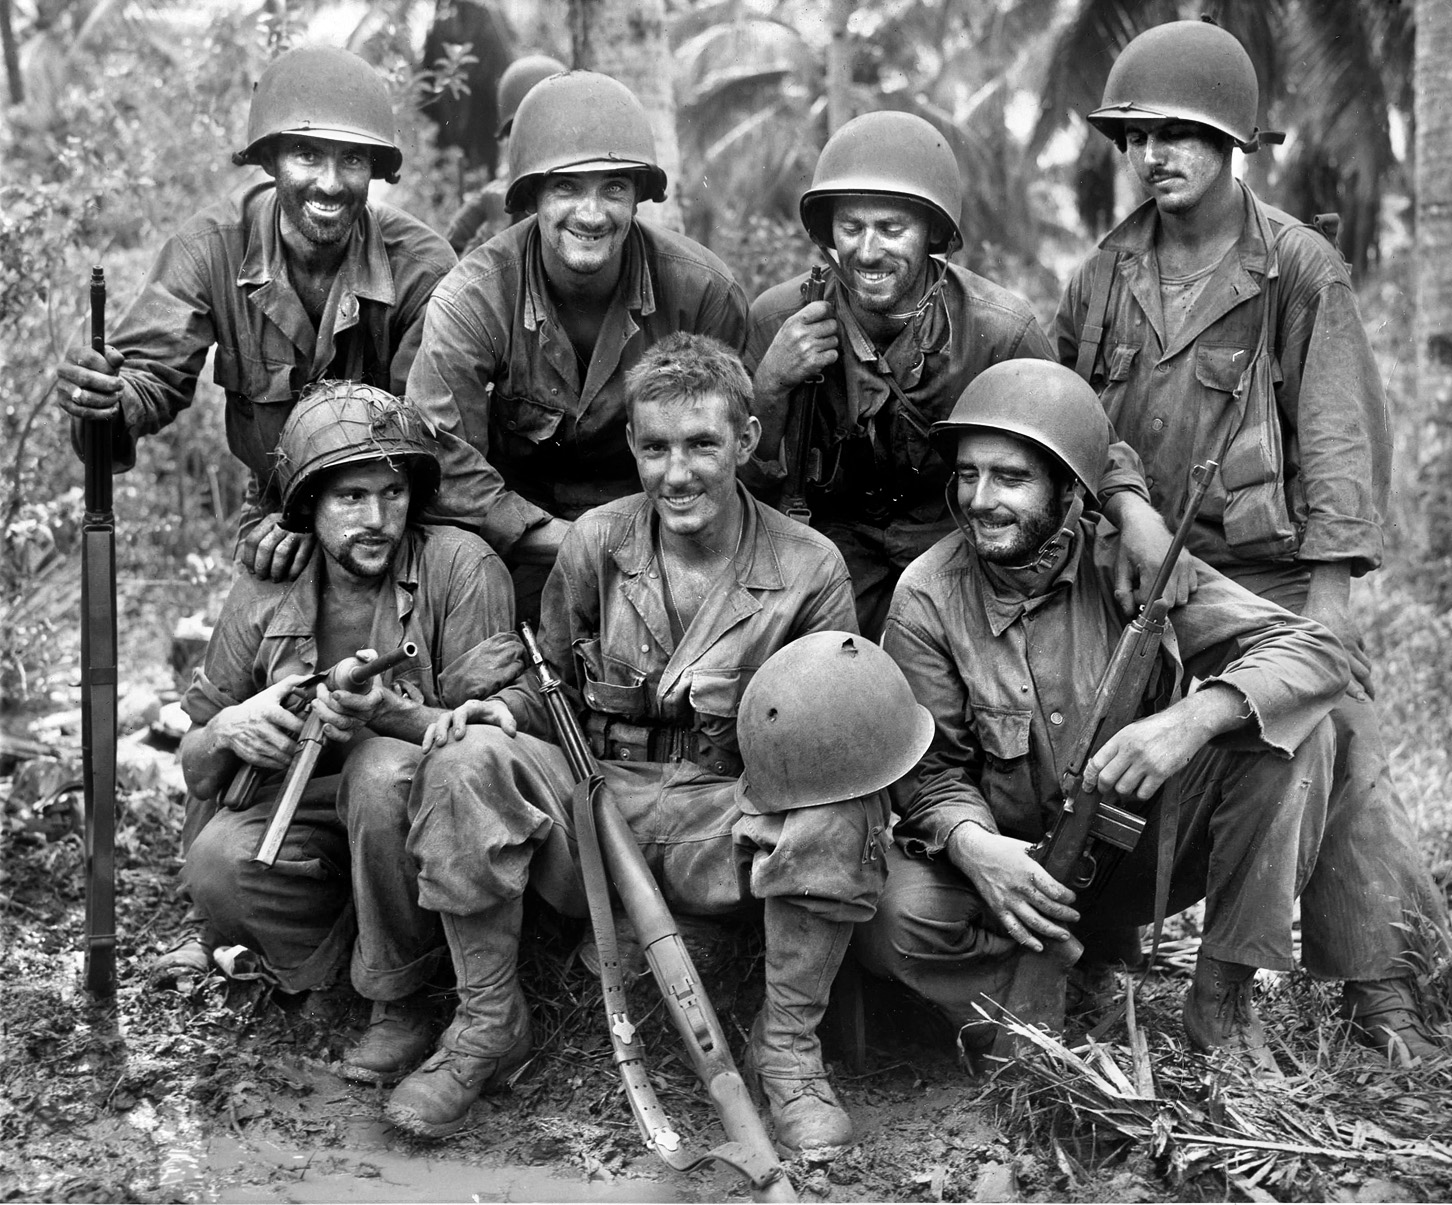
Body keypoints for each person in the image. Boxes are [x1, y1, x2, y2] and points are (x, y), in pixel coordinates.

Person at [386, 334, 930, 1152]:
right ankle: (487, 1025)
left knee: (841, 803)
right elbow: (554, 682)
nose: (678, 473)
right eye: (656, 448)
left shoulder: (809, 565)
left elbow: (832, 738)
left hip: (731, 818)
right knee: (463, 762)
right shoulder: (597, 542)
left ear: (746, 441)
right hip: (597, 808)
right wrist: (507, 712)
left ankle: (785, 1052)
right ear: (634, 449)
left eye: (703, 444)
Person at [1055, 18, 1447, 1059]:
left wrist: (1325, 613)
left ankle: (1366, 988)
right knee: (1077, 742)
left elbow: (1336, 448)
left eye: (1183, 133)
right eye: (1140, 135)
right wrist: (1130, 507)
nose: (1157, 156)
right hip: (1134, 575)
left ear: (1234, 142)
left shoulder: (1298, 271)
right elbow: (1073, 425)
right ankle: (1090, 947)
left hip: (1268, 574)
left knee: (1337, 727)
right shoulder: (1102, 276)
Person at [855, 360, 1350, 1073]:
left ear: (1068, 487)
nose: (981, 500)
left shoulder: (1133, 563)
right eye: (968, 475)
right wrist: (972, 847)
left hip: (1136, 855)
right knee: (891, 913)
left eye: (1011, 478)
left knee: (1294, 736)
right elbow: (928, 773)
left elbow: (1315, 651)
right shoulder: (927, 595)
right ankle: (1052, 994)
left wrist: (1193, 717)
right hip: (1011, 874)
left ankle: (1220, 998)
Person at [176, 382, 522, 1090]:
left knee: (377, 772)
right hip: (309, 823)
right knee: (217, 863)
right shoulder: (266, 586)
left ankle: (402, 996)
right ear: (309, 505)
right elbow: (195, 767)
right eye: (350, 498)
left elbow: (494, 740)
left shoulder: (461, 566)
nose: (377, 518)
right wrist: (227, 728)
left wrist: (385, 716)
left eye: (391, 494)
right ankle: (338, 968)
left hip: (425, 817)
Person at [744, 110, 1180, 637]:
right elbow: (739, 469)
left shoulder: (999, 330)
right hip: (830, 551)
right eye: (851, 228)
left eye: (890, 229)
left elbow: (1085, 440)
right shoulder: (780, 319)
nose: (867, 250)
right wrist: (770, 385)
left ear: (931, 233)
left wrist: (1138, 519)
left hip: (958, 547)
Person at [55, 44, 459, 583]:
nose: (331, 183)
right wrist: (106, 395)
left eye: (353, 159)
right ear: (268, 161)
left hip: (392, 515)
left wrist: (323, 512)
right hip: (273, 514)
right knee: (257, 656)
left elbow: (431, 437)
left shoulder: (422, 269)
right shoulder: (209, 249)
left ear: (375, 170)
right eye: (308, 155)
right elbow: (149, 375)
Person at [407, 71, 749, 621]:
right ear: (531, 196)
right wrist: (575, 542)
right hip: (517, 536)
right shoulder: (472, 300)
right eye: (567, 186)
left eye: (613, 187)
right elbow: (446, 467)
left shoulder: (700, 292)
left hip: (664, 528)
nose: (591, 214)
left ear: (638, 196)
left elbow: (725, 453)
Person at [443, 53, 567, 255]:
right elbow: (449, 276)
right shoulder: (491, 202)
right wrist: (494, 228)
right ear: (510, 137)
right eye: (525, 131)